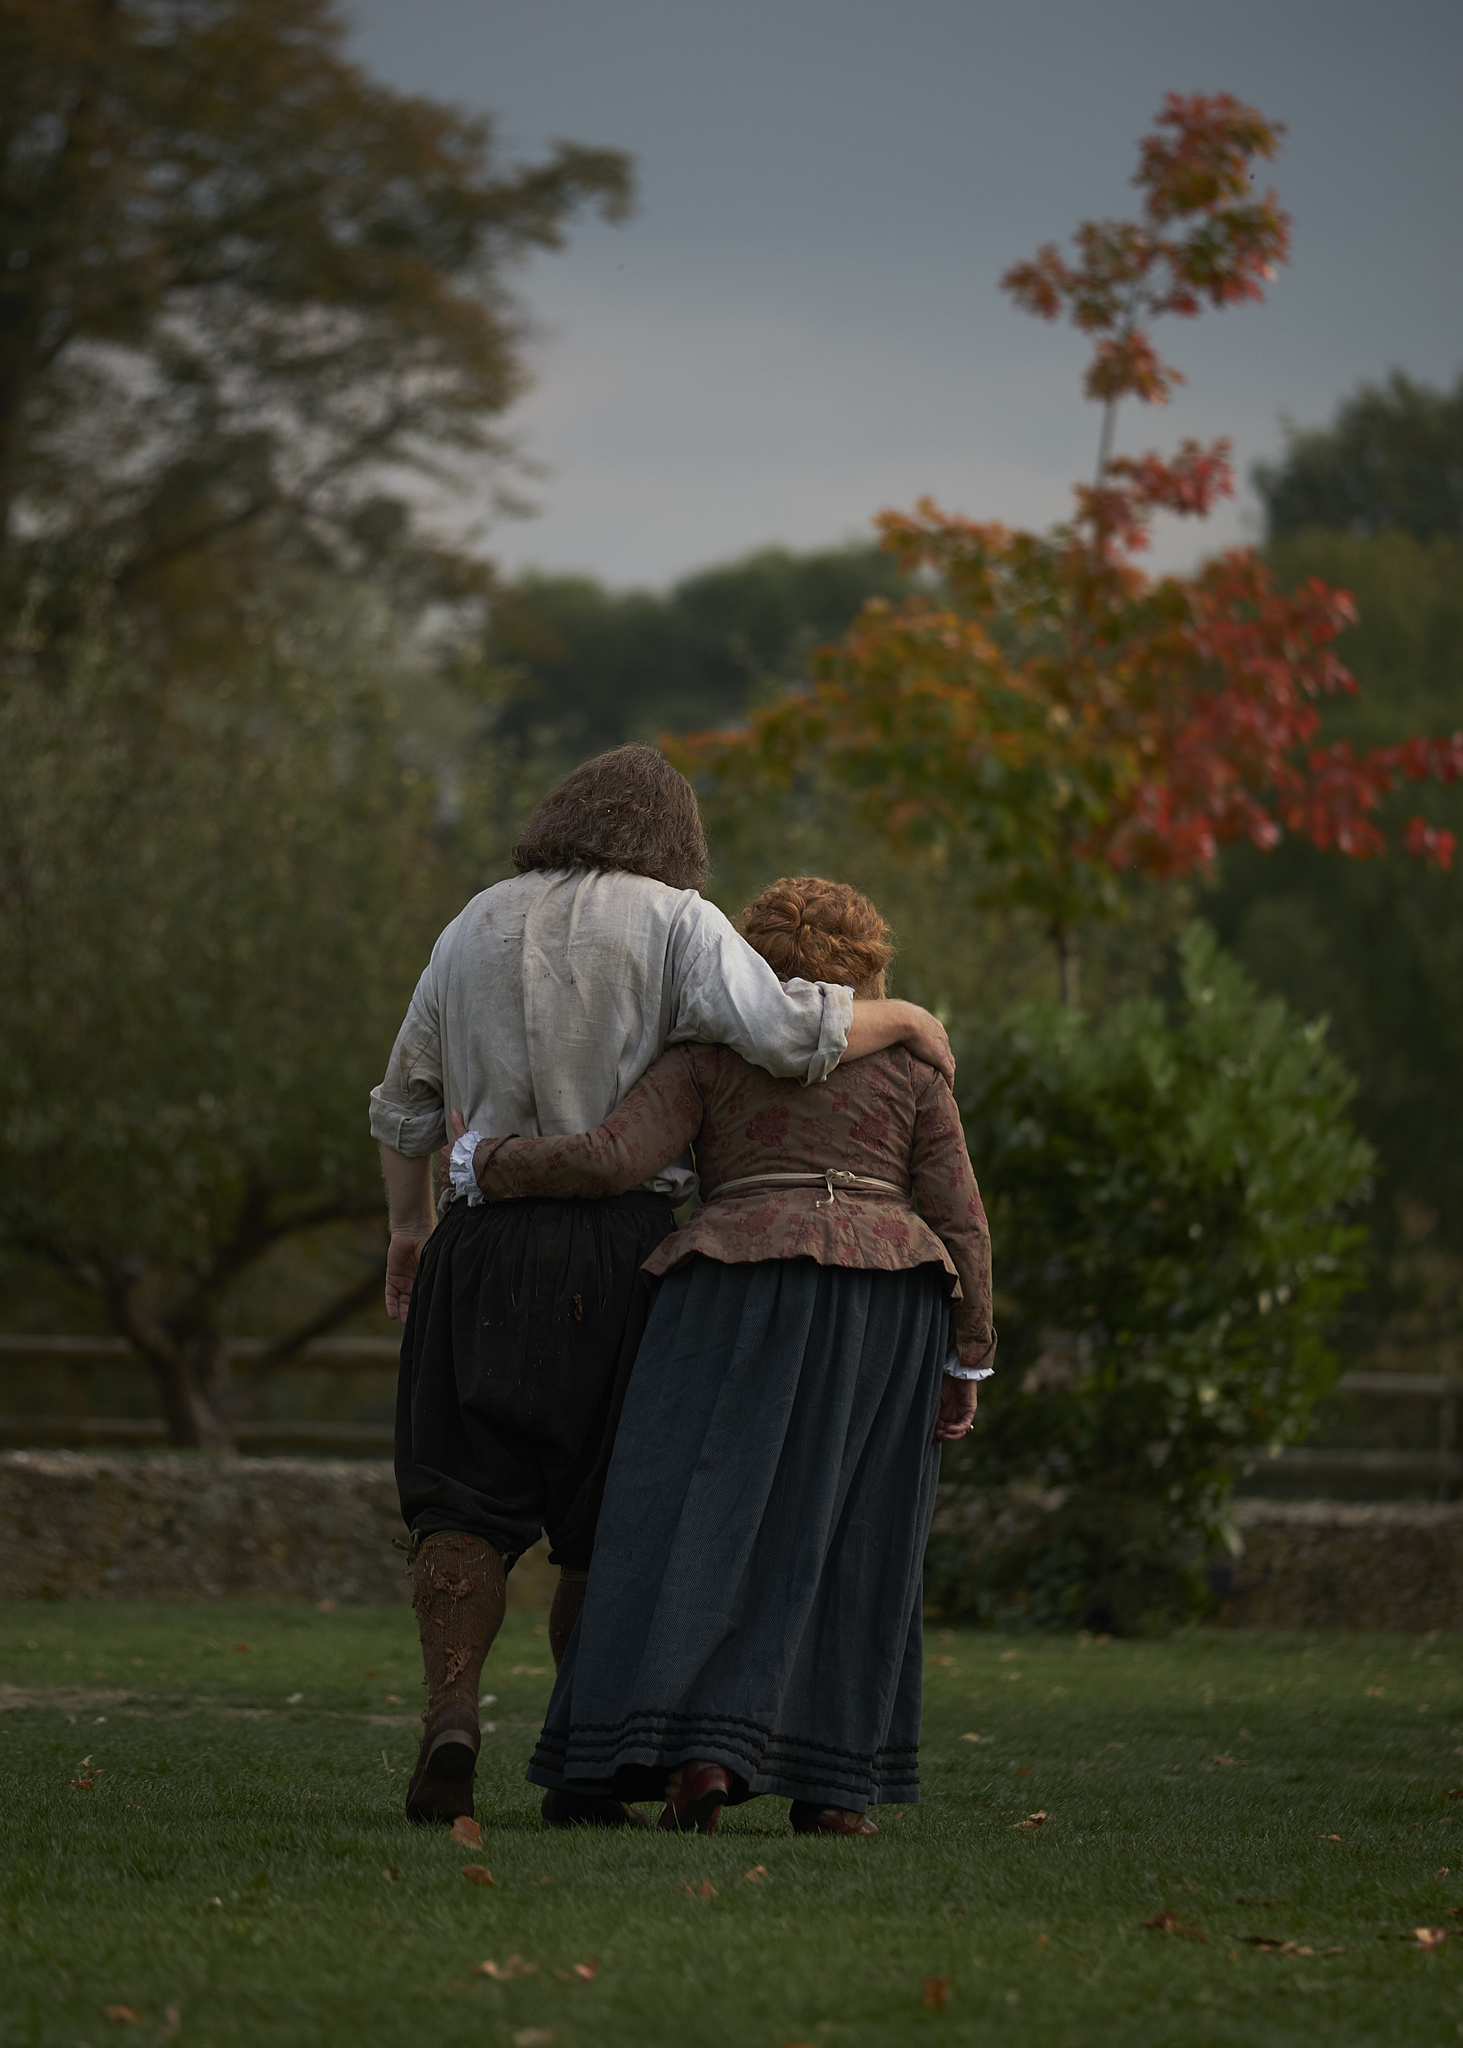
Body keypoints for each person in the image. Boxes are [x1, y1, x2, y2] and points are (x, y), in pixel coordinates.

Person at [370, 749, 957, 1827]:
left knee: (461, 1500)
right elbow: (788, 1034)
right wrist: (910, 1020)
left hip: (478, 1244)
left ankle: (450, 1711)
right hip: (616, 1247)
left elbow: (404, 1103)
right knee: (611, 1517)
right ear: (676, 840)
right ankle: (580, 1756)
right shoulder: (678, 919)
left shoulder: (469, 925)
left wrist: (409, 1229)